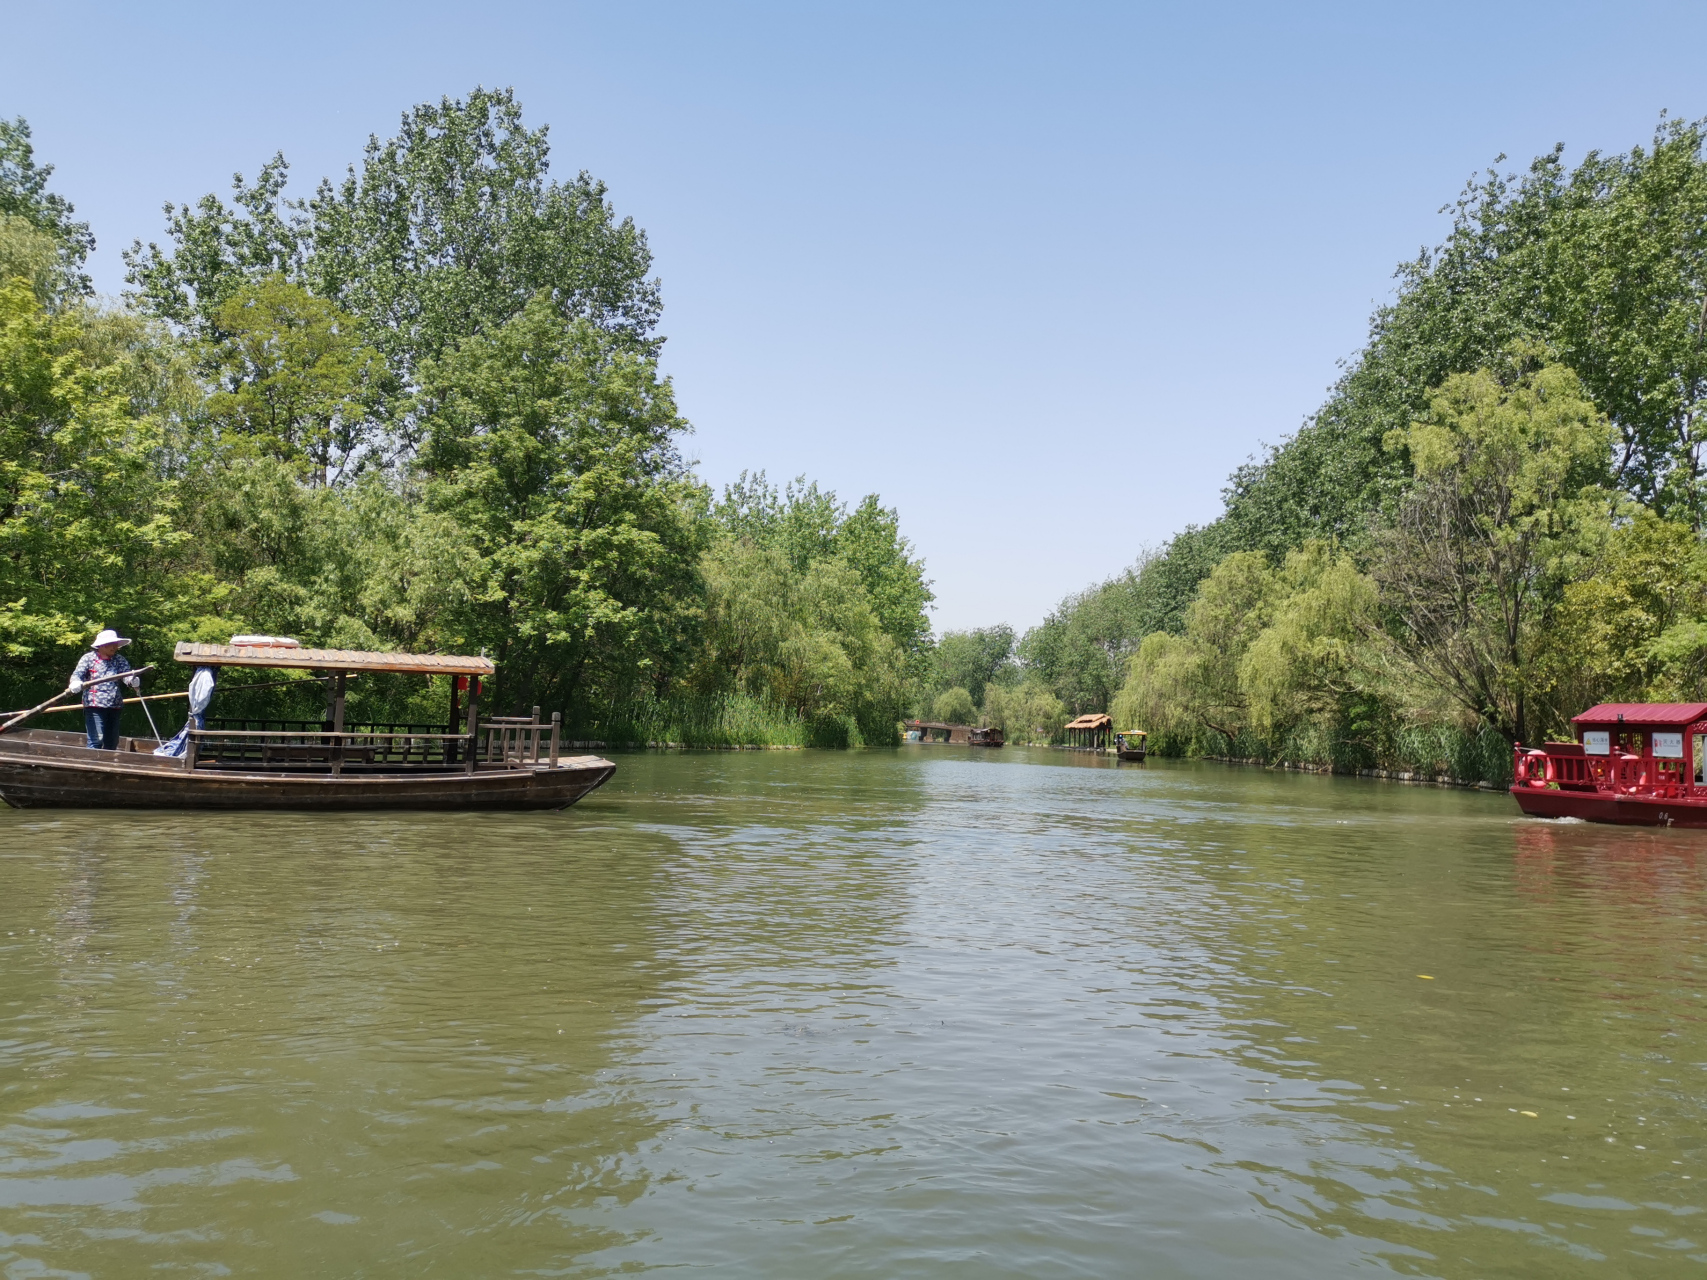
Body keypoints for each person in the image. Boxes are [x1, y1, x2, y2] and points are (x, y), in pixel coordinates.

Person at [67, 628, 141, 750]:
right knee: (96, 739)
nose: (113, 647)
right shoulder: (89, 658)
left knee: (112, 741)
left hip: (114, 705)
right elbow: (77, 674)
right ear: (101, 646)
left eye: (114, 645)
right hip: (95, 705)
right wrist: (75, 682)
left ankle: (108, 767)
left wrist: (132, 680)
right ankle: (92, 767)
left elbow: (126, 675)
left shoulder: (119, 660)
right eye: (109, 645)